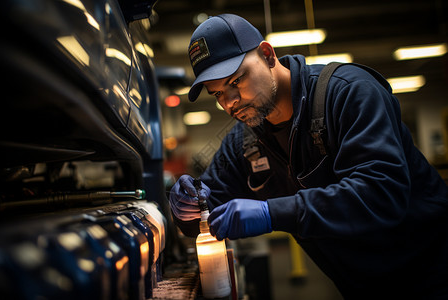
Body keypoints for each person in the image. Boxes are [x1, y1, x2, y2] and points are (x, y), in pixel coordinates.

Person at [169, 14, 448, 299]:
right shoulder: (244, 142)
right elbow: (205, 210)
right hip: (363, 287)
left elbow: (381, 193)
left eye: (236, 81)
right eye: (217, 94)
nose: (229, 102)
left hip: (433, 273)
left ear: (267, 55)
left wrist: (272, 213)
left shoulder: (349, 94)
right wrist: (187, 206)